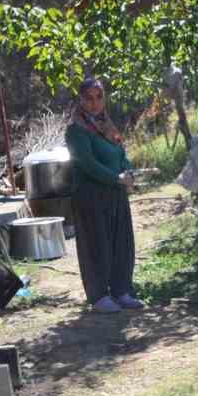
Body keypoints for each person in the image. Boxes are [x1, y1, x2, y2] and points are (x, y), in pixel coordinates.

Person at [65, 77, 141, 314]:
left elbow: (120, 151)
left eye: (99, 97)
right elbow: (87, 163)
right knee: (97, 245)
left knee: (121, 243)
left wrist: (127, 170)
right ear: (81, 100)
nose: (95, 103)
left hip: (115, 193)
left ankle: (121, 291)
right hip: (90, 196)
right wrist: (116, 178)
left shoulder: (107, 124)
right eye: (89, 98)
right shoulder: (77, 131)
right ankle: (99, 295)